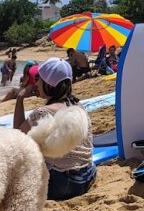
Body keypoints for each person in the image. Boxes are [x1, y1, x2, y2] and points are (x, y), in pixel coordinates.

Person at [13, 58, 96, 200]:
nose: (36, 83)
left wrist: (20, 98)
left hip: (63, 184)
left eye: (38, 79)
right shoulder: (79, 107)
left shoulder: (42, 113)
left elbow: (17, 133)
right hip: (88, 175)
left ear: (48, 84)